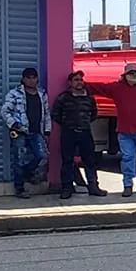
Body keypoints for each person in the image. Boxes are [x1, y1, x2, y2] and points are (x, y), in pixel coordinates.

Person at [86, 61, 136, 196]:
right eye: (131, 73)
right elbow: (100, 88)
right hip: (124, 131)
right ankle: (127, 185)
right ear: (125, 75)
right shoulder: (117, 88)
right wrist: (83, 84)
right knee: (128, 157)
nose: (134, 75)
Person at [51, 71, 108, 199]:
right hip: (68, 133)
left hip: (85, 133)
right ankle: (67, 188)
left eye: (81, 80)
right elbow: (55, 115)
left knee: (90, 161)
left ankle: (93, 187)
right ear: (70, 83)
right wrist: (68, 125)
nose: (79, 82)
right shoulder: (63, 98)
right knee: (67, 161)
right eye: (76, 80)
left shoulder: (89, 98)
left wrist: (84, 123)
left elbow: (94, 114)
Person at [0, 67, 52, 199]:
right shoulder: (14, 94)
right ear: (23, 79)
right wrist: (14, 124)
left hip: (37, 131)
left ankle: (28, 173)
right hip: (20, 132)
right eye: (28, 77)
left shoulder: (42, 94)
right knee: (19, 160)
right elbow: (5, 111)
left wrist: (47, 131)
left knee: (41, 156)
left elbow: (46, 114)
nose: (31, 80)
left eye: (33, 77)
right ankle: (20, 188)